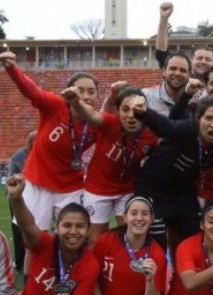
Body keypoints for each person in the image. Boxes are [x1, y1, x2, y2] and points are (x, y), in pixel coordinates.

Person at [0, 51, 100, 238]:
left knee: (75, 236)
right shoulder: (55, 105)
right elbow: (32, 91)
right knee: (34, 239)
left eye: (91, 92)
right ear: (69, 92)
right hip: (38, 182)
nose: (86, 96)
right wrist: (13, 69)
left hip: (71, 186)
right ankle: (33, 269)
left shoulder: (96, 122)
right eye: (80, 90)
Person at [2, 175, 99, 295]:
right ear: (57, 228)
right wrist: (16, 198)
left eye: (80, 226)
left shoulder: (90, 264)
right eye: (67, 225)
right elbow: (27, 226)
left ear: (89, 231)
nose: (73, 231)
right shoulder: (45, 243)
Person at [134, 95, 213, 251]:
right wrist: (144, 113)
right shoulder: (188, 129)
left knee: (194, 236)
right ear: (199, 119)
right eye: (209, 118)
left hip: (182, 192)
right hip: (153, 188)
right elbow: (166, 127)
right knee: (157, 240)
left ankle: (182, 274)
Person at [63, 85, 158, 239]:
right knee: (96, 240)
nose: (131, 115)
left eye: (137, 109)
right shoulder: (109, 123)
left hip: (127, 190)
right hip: (97, 190)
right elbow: (92, 116)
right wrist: (76, 103)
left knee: (130, 236)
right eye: (125, 109)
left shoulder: (151, 134)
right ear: (118, 111)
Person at [84, 196, 168, 295]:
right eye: (134, 213)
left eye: (145, 214)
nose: (139, 218)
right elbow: (92, 280)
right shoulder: (105, 241)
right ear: (125, 216)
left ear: (152, 218)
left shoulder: (157, 253)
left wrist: (150, 279)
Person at [7, 131, 37, 273]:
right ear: (29, 142)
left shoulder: (42, 153)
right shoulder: (19, 156)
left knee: (35, 227)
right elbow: (12, 175)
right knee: (19, 228)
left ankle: (34, 258)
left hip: (36, 195)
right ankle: (19, 262)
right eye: (34, 142)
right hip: (19, 196)